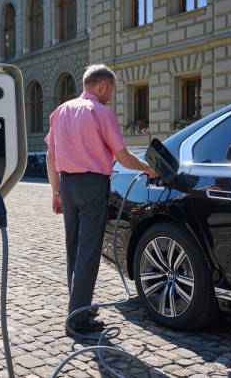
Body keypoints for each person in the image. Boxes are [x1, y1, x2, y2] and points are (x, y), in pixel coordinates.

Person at [45, 64, 157, 336]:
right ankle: (78, 320)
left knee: (73, 247)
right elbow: (123, 157)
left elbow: (50, 156)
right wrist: (146, 167)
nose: (110, 96)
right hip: (93, 185)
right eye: (111, 90)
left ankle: (78, 306)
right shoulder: (102, 112)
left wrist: (56, 192)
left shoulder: (60, 111)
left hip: (68, 185)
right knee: (89, 250)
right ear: (102, 86)